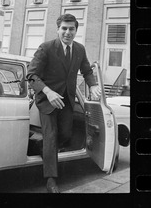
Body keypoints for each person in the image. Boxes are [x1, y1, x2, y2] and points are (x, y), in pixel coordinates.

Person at [27, 14, 101, 193]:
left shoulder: (80, 49)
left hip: (67, 101)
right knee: (51, 136)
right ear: (58, 29)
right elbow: (31, 75)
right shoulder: (46, 48)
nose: (68, 32)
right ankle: (51, 179)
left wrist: (93, 85)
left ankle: (41, 147)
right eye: (64, 29)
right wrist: (47, 91)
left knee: (66, 135)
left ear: (76, 30)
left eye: (71, 29)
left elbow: (86, 70)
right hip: (47, 100)